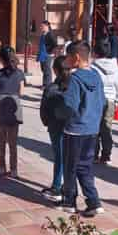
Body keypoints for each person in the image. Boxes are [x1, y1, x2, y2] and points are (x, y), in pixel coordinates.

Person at [57, 40, 106, 217]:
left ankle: (69, 201)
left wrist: (58, 113)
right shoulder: (96, 76)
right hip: (92, 130)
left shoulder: (75, 79)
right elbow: (103, 102)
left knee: (70, 167)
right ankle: (93, 202)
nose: (66, 61)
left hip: (75, 130)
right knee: (85, 167)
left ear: (76, 58)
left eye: (68, 57)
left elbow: (70, 105)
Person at [40, 55, 71, 201]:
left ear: (54, 70)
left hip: (55, 127)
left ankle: (58, 187)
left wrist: (47, 122)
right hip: (73, 127)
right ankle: (68, 187)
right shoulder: (73, 87)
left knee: (59, 157)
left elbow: (43, 109)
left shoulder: (51, 88)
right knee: (69, 157)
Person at [0, 47, 25, 178]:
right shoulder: (20, 73)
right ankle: (14, 169)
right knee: (13, 141)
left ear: (1, 59)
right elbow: (21, 92)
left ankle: (2, 166)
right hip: (14, 106)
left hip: (1, 106)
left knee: (1, 138)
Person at [92, 39, 118, 164]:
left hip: (96, 99)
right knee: (107, 128)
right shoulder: (116, 68)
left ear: (95, 52)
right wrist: (117, 100)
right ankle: (106, 155)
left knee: (94, 128)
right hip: (110, 101)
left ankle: (94, 154)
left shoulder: (93, 67)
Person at [37, 20, 57, 89]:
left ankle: (48, 85)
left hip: (48, 55)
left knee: (47, 70)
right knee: (43, 69)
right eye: (41, 26)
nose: (41, 27)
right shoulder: (43, 34)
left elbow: (55, 44)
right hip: (42, 54)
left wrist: (50, 52)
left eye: (42, 26)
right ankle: (44, 84)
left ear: (47, 26)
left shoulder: (50, 34)